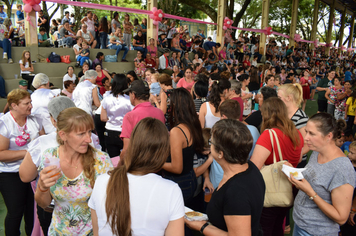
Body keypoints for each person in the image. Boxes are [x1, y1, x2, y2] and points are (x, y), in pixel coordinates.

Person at [89, 117, 184, 236]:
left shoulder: (101, 182)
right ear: (164, 151)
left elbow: (97, 232)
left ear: (133, 144)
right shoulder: (171, 191)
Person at [34, 107, 113, 235]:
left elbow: (109, 207)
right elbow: (44, 203)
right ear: (63, 135)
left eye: (89, 132)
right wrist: (42, 187)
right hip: (58, 232)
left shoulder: (101, 161)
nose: (88, 139)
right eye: (81, 134)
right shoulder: (50, 157)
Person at [185, 119, 265, 235]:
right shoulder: (249, 167)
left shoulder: (236, 192)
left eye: (211, 142)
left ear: (220, 153)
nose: (210, 144)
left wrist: (202, 227)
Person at [291, 113, 355, 236]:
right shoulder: (317, 151)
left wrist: (311, 193)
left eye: (312, 134)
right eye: (306, 132)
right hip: (301, 224)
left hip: (317, 232)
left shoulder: (342, 169)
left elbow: (341, 217)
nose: (306, 138)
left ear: (328, 136)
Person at [251, 97, 303, 236]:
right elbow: (296, 159)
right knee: (277, 227)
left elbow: (254, 167)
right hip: (287, 190)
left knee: (264, 230)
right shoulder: (296, 133)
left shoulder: (269, 134)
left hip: (270, 191)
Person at [0, 89, 45, 236]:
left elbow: (44, 144)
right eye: (26, 103)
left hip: (33, 172)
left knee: (33, 212)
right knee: (15, 211)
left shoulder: (35, 120)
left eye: (30, 102)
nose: (31, 106)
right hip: (10, 173)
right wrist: (29, 153)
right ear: (14, 105)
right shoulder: (4, 123)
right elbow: (1, 154)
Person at [162, 88, 204, 203]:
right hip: (190, 179)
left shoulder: (177, 131)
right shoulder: (192, 125)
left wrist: (157, 163)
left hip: (179, 183)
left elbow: (177, 167)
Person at [120, 80, 165, 159]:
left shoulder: (130, 116)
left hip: (140, 163)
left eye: (129, 94)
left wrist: (119, 167)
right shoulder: (159, 112)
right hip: (158, 161)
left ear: (133, 95)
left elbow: (126, 150)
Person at [101, 74, 132, 158]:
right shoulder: (129, 100)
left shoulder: (106, 99)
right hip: (124, 131)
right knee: (126, 158)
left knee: (113, 159)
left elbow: (103, 118)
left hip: (109, 130)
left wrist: (112, 119)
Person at [278, 83, 309, 167]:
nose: (277, 100)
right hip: (283, 159)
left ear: (288, 98)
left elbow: (307, 143)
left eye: (279, 98)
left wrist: (296, 155)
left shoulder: (301, 118)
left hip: (295, 163)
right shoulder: (282, 114)